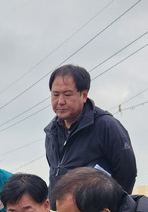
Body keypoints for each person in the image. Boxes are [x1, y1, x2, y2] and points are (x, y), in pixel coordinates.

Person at [44, 64, 137, 203]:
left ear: (84, 95)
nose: (60, 101)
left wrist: (112, 210)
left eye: (67, 95)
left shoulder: (107, 126)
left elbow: (127, 174)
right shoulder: (51, 131)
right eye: (55, 95)